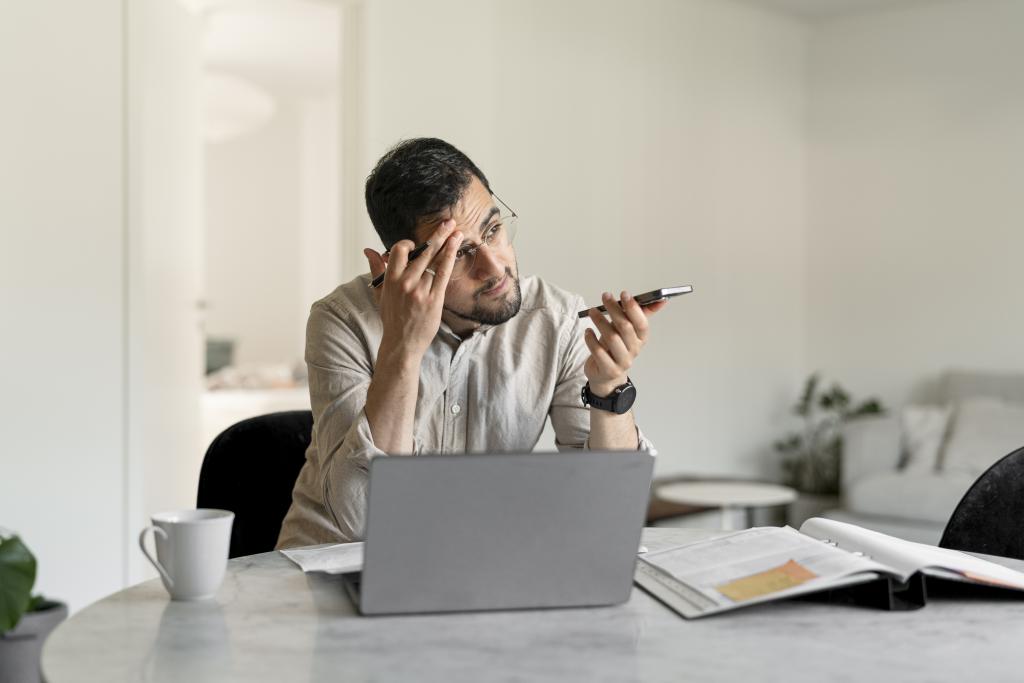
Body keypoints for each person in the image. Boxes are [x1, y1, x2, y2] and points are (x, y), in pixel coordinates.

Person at [276, 138, 667, 547]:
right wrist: (402, 347)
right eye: (460, 253)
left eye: (493, 230)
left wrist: (609, 389)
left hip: (469, 560)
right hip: (330, 565)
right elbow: (362, 524)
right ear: (401, 265)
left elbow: (609, 508)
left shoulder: (556, 321)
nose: (494, 267)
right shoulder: (342, 320)